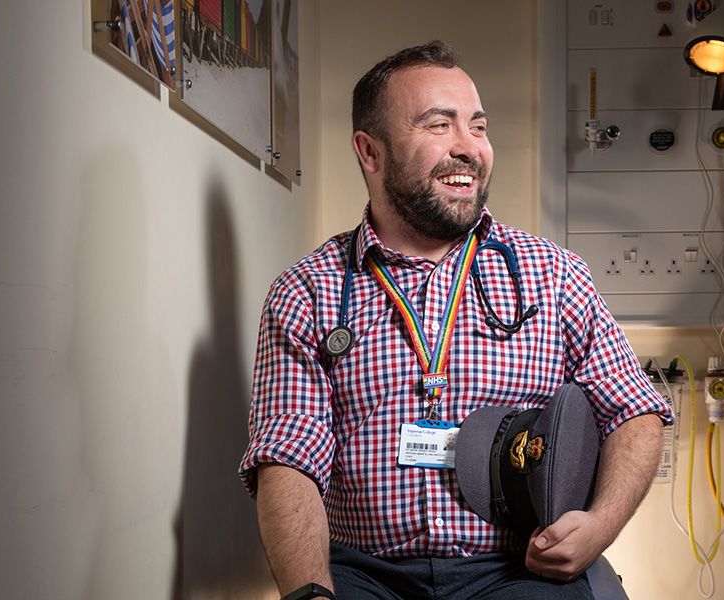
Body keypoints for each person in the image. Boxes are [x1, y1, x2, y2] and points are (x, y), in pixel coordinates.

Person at [240, 41, 673, 600]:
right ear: (370, 152)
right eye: (439, 125)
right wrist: (312, 595)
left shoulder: (554, 275)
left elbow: (634, 414)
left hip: (518, 569)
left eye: (478, 126)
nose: (468, 148)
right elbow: (288, 460)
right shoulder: (307, 292)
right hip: (365, 571)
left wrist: (599, 527)